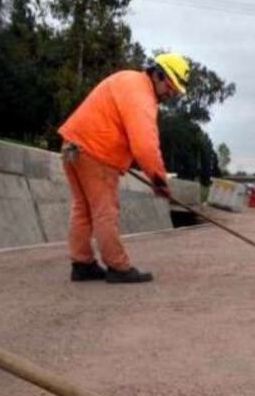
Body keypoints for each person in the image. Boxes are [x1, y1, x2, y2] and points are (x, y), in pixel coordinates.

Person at [58, 53, 190, 284]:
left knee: (83, 208)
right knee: (105, 211)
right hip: (96, 152)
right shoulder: (142, 95)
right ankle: (118, 267)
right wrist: (159, 182)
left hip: (72, 146)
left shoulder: (127, 80)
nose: (171, 94)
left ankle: (82, 264)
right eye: (170, 87)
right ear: (158, 75)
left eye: (175, 91)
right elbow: (145, 146)